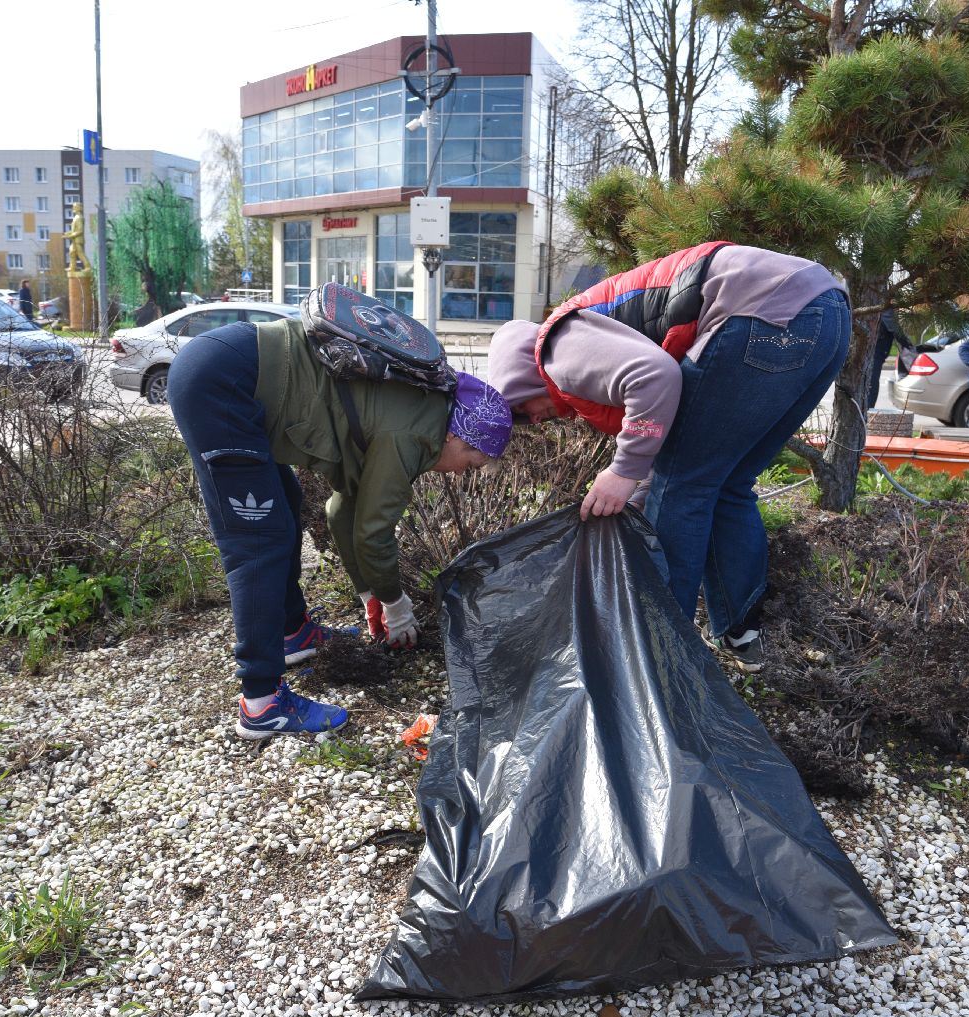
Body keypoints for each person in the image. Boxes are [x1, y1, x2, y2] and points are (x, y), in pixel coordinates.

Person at [486, 240, 849, 669]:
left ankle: (659, 655)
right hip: (825, 314)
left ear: (521, 382)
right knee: (727, 484)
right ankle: (742, 634)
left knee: (682, 487)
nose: (538, 420)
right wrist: (642, 481)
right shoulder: (580, 340)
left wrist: (625, 471)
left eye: (524, 412)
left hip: (763, 312)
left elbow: (654, 377)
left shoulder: (557, 347)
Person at [167, 303, 511, 739]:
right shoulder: (412, 435)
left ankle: (293, 635)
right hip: (223, 384)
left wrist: (368, 592)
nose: (464, 472)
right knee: (257, 544)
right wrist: (395, 605)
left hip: (229, 363)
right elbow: (372, 532)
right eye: (471, 460)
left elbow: (342, 509)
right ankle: (262, 703)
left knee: (284, 507)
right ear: (456, 434)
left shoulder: (418, 412)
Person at [867, 308, 914, 409]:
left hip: (872, 350)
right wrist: (909, 345)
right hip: (875, 351)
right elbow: (894, 328)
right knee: (872, 383)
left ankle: (866, 411)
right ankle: (868, 411)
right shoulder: (886, 307)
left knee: (870, 382)